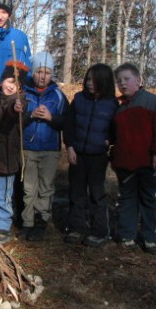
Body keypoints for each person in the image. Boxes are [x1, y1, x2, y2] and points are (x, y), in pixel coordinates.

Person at [112, 63, 156, 253]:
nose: (122, 84)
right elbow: (115, 137)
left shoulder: (154, 103)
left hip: (149, 163)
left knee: (148, 199)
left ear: (138, 80)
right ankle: (127, 234)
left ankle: (150, 237)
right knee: (127, 199)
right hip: (125, 164)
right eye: (119, 81)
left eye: (127, 79)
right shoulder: (120, 109)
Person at [63, 64, 118, 247]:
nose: (89, 83)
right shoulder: (79, 99)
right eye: (87, 79)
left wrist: (109, 140)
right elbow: (68, 124)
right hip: (78, 154)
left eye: (94, 80)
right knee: (76, 192)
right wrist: (69, 146)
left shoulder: (112, 104)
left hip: (98, 156)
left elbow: (117, 129)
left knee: (97, 193)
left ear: (104, 81)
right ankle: (76, 227)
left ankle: (99, 231)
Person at [20, 51, 68, 241]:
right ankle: (27, 222)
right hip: (28, 148)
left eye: (47, 73)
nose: (42, 76)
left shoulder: (58, 95)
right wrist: (30, 115)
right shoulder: (23, 92)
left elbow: (66, 122)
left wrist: (51, 117)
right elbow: (17, 119)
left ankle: (42, 220)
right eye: (39, 72)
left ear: (52, 74)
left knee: (45, 187)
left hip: (49, 148)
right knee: (29, 187)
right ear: (33, 72)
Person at [0, 60, 28, 243]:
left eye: (17, 85)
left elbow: (15, 112)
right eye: (10, 81)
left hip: (8, 156)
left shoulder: (20, 101)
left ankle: (3, 224)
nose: (12, 87)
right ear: (2, 80)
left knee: (4, 193)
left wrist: (14, 108)